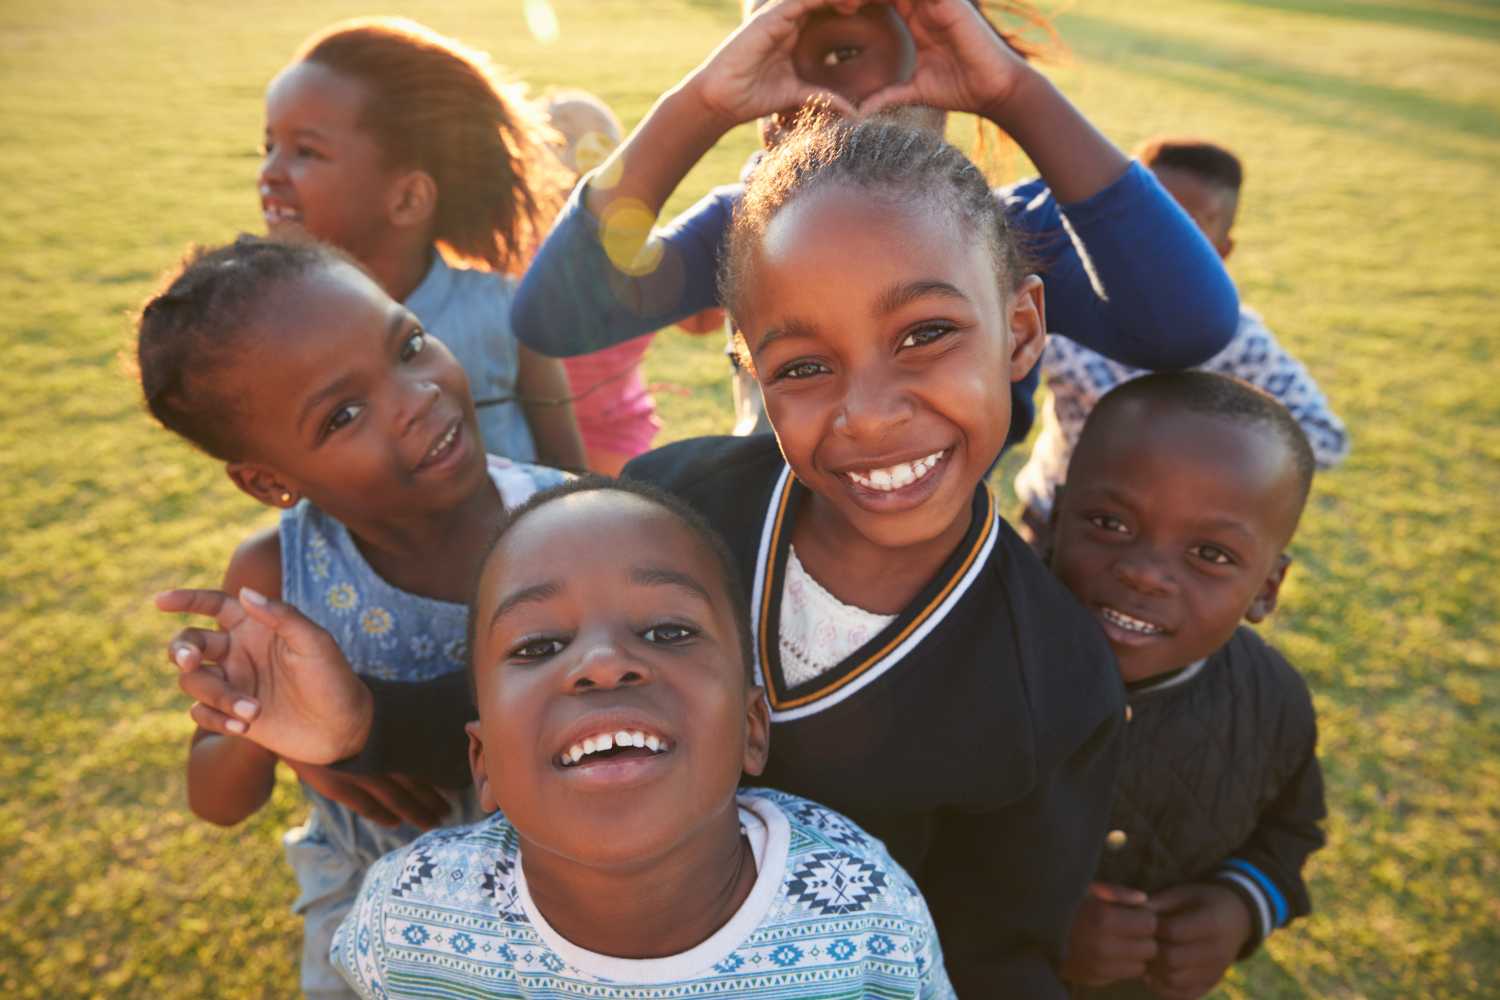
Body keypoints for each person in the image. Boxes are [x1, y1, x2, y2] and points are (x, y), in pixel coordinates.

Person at [159, 118, 1125, 997]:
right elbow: (534, 703)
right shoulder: (678, 504)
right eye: (803, 365)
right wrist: (361, 722)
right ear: (751, 368)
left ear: (1021, 332)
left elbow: (996, 951)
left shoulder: (1056, 682)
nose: (868, 413)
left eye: (925, 335)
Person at [320, 477, 954, 996]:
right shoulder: (407, 917)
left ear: (751, 730)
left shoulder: (865, 915)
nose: (602, 662)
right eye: (539, 644)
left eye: (668, 632)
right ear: (482, 761)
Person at [509, 0, 1240, 446]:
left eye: (846, 48)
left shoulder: (1008, 235)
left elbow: (1189, 326)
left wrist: (1013, 92)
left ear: (947, 39)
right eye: (774, 44)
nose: (806, 84)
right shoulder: (748, 229)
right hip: (764, 567)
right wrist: (701, 103)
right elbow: (556, 317)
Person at [139, 238, 567, 998]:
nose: (415, 397)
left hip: (566, 891)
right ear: (268, 481)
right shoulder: (277, 580)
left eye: (408, 346)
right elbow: (217, 800)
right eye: (343, 414)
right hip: (370, 909)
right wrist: (259, 725)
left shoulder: (570, 522)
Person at [1048, 371, 1327, 999]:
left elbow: (1291, 832)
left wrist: (1240, 907)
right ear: (1057, 516)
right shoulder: (971, 665)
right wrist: (1027, 924)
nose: (1146, 574)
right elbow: (889, 839)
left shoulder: (1273, 705)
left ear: (1266, 590)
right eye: (1110, 522)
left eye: (1211, 555)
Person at [259, 17, 585, 469]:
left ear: (408, 198)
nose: (270, 173)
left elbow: (573, 476)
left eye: (306, 152)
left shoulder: (506, 313)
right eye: (269, 146)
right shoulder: (275, 331)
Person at [1014, 136, 1350, 552]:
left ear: (1222, 251)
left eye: (1185, 230)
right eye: (1146, 219)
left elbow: (1324, 438)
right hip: (1052, 516)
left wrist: (1204, 449)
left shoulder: (1239, 343)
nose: (1159, 242)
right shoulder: (1062, 304)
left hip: (1172, 548)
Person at [541, 91, 663, 475]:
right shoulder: (636, 247)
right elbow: (701, 322)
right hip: (617, 434)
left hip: (543, 430)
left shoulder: (515, 252)